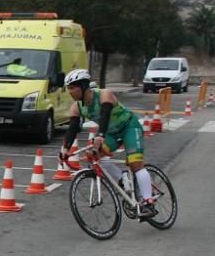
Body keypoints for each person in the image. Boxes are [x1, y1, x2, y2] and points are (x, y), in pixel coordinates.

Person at [58, 68, 156, 218]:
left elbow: (104, 115)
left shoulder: (104, 94)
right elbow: (71, 130)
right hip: (112, 133)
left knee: (136, 163)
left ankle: (149, 202)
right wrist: (65, 150)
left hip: (129, 127)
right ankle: (122, 179)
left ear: (83, 86)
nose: (70, 92)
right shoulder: (77, 107)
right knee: (93, 156)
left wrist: (100, 136)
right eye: (68, 89)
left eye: (72, 88)